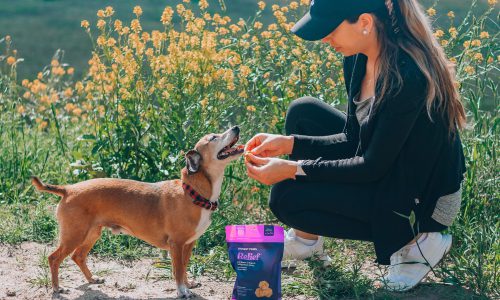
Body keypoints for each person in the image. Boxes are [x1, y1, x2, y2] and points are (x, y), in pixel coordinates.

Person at [243, 0, 467, 292]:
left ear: (364, 22)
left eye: (330, 30)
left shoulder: (407, 75)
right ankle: (307, 239)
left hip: (424, 199)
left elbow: (371, 165)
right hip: (390, 166)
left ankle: (418, 243)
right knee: (304, 114)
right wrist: (289, 144)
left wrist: (293, 169)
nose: (325, 39)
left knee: (286, 196)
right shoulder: (358, 57)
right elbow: (353, 139)